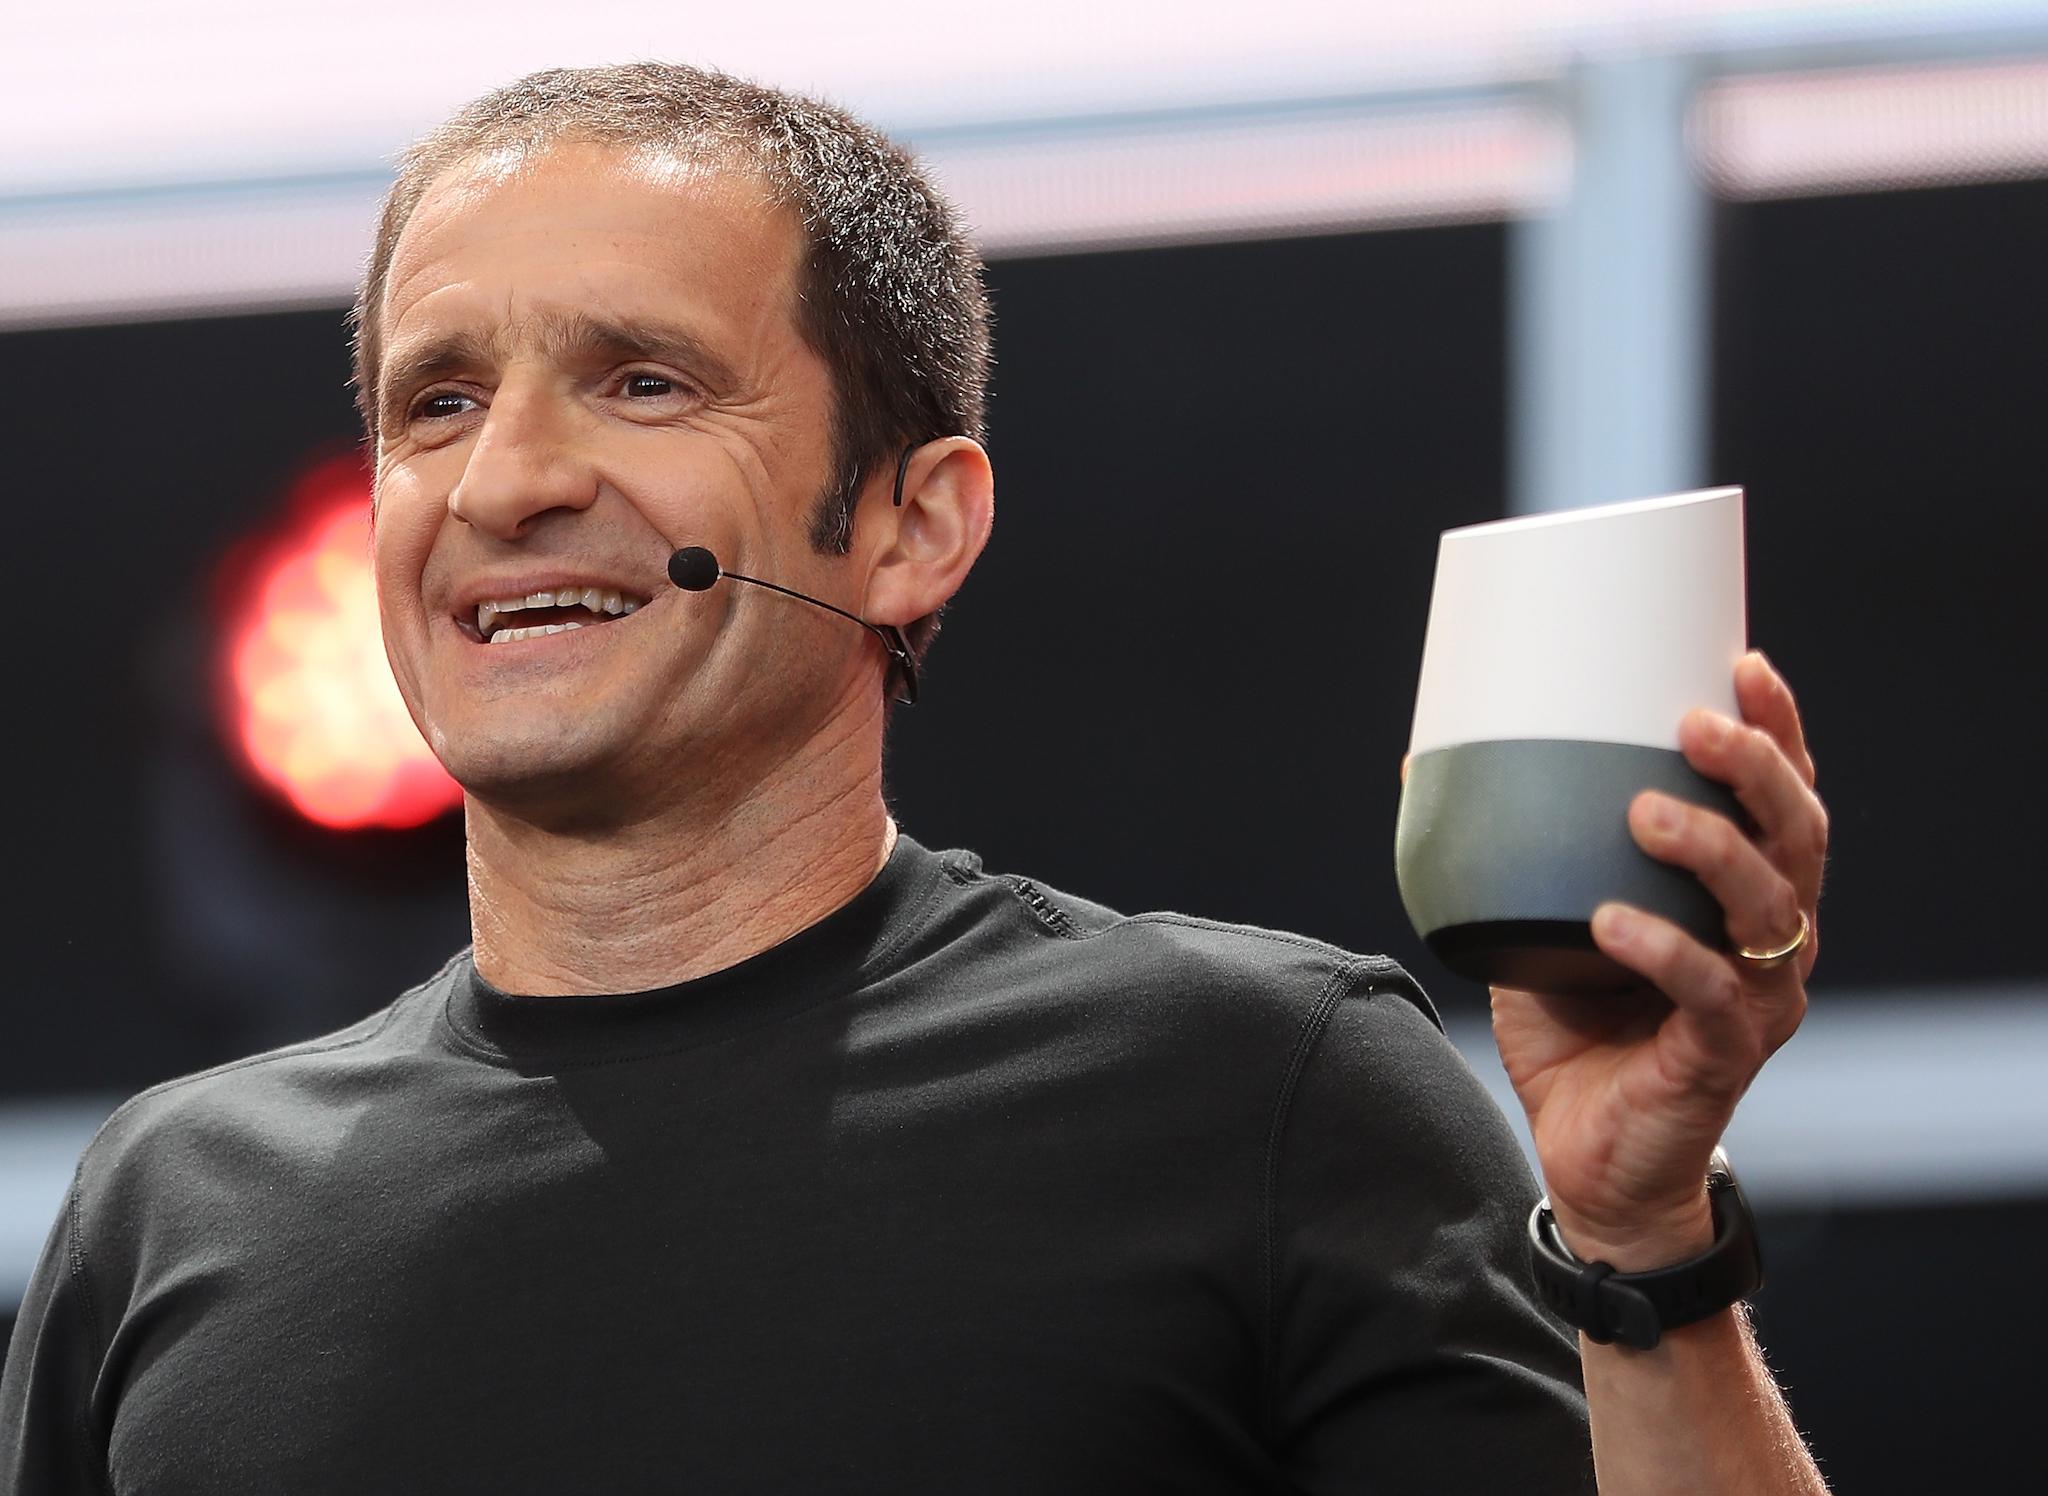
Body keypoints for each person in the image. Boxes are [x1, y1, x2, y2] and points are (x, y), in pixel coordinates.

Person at [0, 63, 1832, 1493]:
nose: (501, 484)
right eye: (437, 402)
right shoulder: (174, 1208)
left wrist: (1642, 1248)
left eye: (641, 383)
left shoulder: (1251, 1093)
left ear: (912, 525)